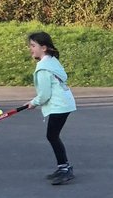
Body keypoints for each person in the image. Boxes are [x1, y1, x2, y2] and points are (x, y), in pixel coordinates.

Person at [27, 32, 78, 185]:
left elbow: (44, 95)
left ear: (44, 48)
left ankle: (64, 168)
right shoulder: (52, 60)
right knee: (53, 136)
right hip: (64, 102)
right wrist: (34, 101)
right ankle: (63, 167)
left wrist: (33, 102)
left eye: (33, 46)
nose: (31, 49)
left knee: (52, 136)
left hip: (59, 105)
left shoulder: (43, 68)